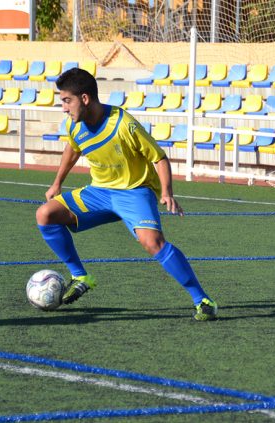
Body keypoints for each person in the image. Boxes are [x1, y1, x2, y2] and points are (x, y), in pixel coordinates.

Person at [35, 68, 217, 321]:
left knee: (152, 243)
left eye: (67, 101)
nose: (64, 108)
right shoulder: (74, 126)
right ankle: (80, 276)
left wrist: (166, 192)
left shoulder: (124, 124)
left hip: (135, 192)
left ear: (84, 99)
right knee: (46, 214)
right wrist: (57, 184)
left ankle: (202, 300)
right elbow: (73, 149)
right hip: (99, 192)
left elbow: (159, 158)